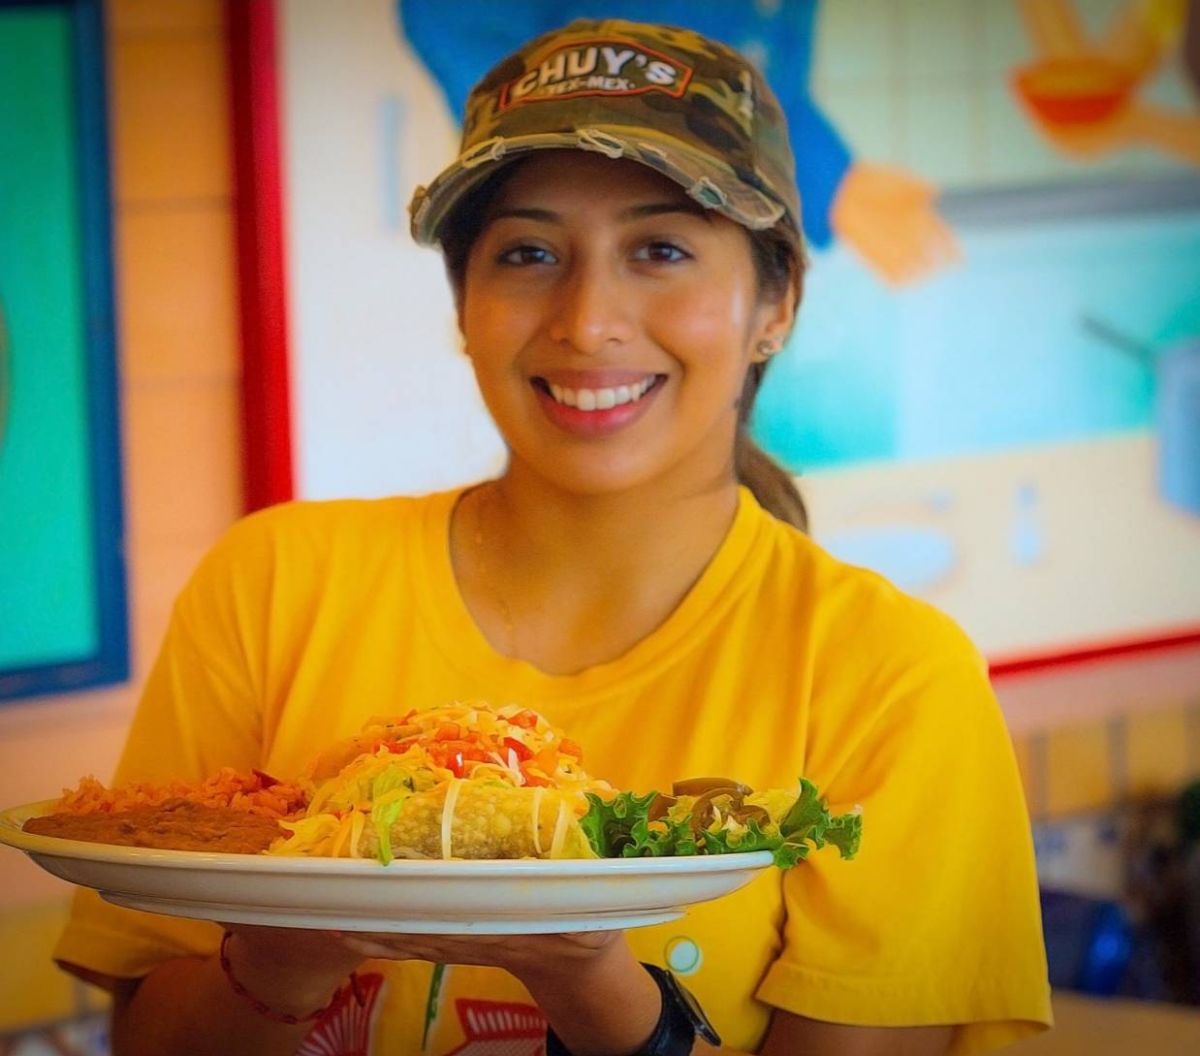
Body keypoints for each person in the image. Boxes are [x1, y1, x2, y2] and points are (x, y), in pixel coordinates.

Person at [51, 18, 1051, 1056]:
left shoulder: (890, 679)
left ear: (775, 306)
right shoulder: (271, 586)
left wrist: (593, 978)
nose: (586, 320)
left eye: (660, 250)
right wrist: (284, 957)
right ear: (464, 308)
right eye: (529, 253)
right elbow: (149, 1035)